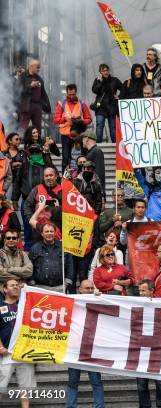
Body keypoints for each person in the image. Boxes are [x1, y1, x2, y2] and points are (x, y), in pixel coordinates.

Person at [66, 279, 105, 408]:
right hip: (74, 349)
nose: (89, 291)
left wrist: (102, 298)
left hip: (92, 348)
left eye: (91, 288)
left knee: (96, 381)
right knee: (72, 382)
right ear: (80, 290)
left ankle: (99, 406)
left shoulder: (98, 302)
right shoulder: (72, 303)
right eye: (86, 288)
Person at [0, 279, 36, 407]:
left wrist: (28, 289)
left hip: (24, 352)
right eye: (12, 285)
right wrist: (0, 347)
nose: (15, 287)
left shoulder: (25, 305)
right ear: (5, 289)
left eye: (17, 285)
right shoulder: (0, 307)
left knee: (25, 388)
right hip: (6, 353)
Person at [136, 279, 161, 408]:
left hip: (158, 351)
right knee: (141, 385)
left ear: (152, 291)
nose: (140, 293)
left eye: (143, 290)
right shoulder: (133, 305)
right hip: (141, 351)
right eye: (139, 290)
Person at [52, 83, 92, 170]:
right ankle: (65, 180)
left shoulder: (82, 103)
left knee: (83, 157)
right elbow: (55, 120)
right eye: (69, 94)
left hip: (79, 134)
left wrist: (81, 121)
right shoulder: (61, 104)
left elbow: (89, 119)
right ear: (66, 93)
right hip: (66, 134)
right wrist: (65, 119)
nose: (71, 96)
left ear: (76, 93)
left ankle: (83, 177)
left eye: (73, 94)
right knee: (66, 159)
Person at [23, 166, 61, 249]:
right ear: (43, 177)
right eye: (46, 176)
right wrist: (31, 218)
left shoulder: (62, 190)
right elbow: (26, 205)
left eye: (51, 175)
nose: (48, 178)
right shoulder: (37, 189)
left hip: (55, 229)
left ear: (56, 176)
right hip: (38, 227)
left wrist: (59, 208)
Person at [28, 222, 68, 292]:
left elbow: (70, 264)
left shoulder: (63, 247)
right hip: (40, 287)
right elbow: (29, 266)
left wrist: (68, 281)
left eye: (51, 231)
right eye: (46, 231)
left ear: (55, 233)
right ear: (42, 234)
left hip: (60, 287)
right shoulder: (34, 248)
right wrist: (31, 281)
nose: (49, 233)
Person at [17, 59, 51, 132]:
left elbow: (43, 93)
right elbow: (18, 91)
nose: (39, 69)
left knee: (38, 127)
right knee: (23, 126)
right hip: (26, 105)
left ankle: (37, 142)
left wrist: (48, 106)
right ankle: (20, 142)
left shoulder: (39, 78)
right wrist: (30, 86)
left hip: (37, 105)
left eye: (39, 67)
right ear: (31, 66)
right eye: (37, 67)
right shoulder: (23, 77)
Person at [91, 63, 122, 143]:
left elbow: (123, 88)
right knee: (99, 126)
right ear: (100, 72)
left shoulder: (114, 80)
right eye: (103, 71)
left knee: (113, 127)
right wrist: (100, 82)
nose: (105, 72)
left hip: (112, 106)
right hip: (100, 107)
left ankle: (115, 144)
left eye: (107, 70)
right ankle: (98, 144)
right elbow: (94, 90)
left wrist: (120, 97)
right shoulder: (97, 80)